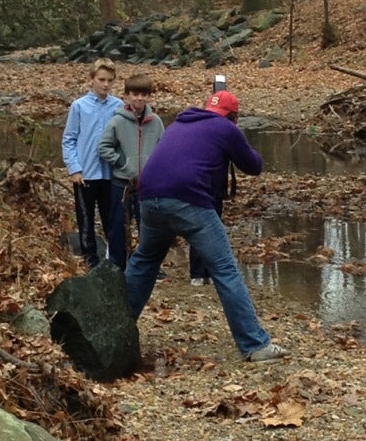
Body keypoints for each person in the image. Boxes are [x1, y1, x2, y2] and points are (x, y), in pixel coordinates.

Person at [124, 90, 290, 363]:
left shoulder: (180, 123)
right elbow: (254, 165)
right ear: (233, 116)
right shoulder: (225, 127)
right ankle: (255, 344)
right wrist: (237, 139)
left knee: (144, 262)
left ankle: (120, 328)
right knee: (224, 268)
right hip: (189, 201)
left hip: (148, 199)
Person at [98, 72, 165, 271]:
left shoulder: (156, 122)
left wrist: (156, 172)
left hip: (147, 185)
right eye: (135, 94)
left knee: (149, 227)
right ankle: (117, 267)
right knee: (118, 227)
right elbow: (104, 147)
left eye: (144, 94)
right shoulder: (118, 121)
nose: (139, 98)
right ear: (127, 95)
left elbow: (164, 149)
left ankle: (150, 267)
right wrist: (122, 163)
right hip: (122, 184)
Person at [62, 57, 123, 268]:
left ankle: (113, 258)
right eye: (101, 79)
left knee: (111, 218)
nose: (105, 84)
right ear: (92, 79)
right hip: (85, 172)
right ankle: (90, 258)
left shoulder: (119, 106)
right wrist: (74, 168)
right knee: (85, 217)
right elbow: (69, 139)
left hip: (110, 173)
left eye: (109, 80)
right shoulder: (79, 106)